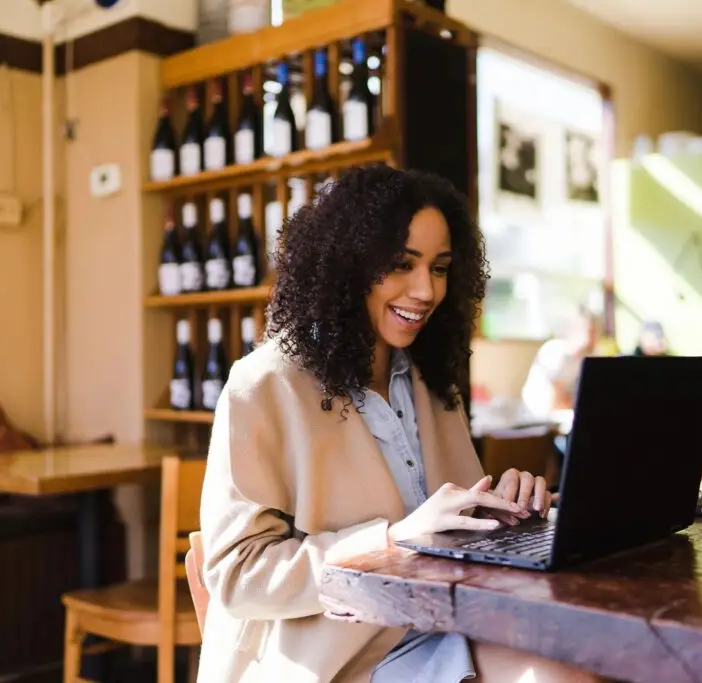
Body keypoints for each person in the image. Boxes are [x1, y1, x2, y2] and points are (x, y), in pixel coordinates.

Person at [197, 166, 605, 683]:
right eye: (401, 265)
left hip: (444, 625)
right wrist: (390, 541)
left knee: (604, 662)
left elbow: (447, 520)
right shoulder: (264, 384)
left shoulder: (431, 379)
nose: (426, 291)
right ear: (347, 265)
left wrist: (499, 508)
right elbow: (238, 576)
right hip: (334, 657)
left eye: (439, 268)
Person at [520, 305, 603, 417]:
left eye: (596, 332)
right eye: (590, 331)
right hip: (540, 418)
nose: (594, 338)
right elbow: (557, 403)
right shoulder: (559, 353)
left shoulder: (591, 356)